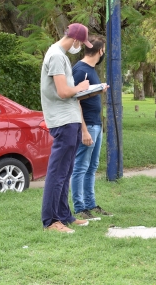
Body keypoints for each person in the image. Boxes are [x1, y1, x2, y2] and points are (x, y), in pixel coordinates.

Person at [40, 23, 93, 234]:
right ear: (76, 40)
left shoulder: (61, 56)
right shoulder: (55, 56)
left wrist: (86, 92)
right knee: (58, 172)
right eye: (82, 43)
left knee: (66, 171)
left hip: (69, 118)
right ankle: (51, 221)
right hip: (62, 120)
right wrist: (80, 88)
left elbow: (65, 91)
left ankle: (64, 216)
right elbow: (62, 91)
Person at [71, 35, 112, 220]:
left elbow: (87, 93)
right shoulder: (80, 70)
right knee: (81, 167)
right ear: (100, 51)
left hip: (97, 124)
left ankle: (91, 204)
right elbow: (74, 100)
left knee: (92, 167)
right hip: (87, 126)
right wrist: (84, 130)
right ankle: (79, 207)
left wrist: (98, 89)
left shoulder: (91, 70)